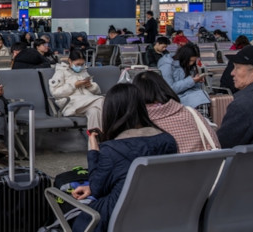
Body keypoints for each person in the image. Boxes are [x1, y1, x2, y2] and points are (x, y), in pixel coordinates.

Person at [70, 84, 177, 232]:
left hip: (117, 218)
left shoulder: (112, 149)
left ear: (112, 112)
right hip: (161, 213)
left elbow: (97, 189)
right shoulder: (168, 140)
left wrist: (94, 150)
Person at [134, 71, 220, 153]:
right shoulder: (191, 113)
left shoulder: (137, 125)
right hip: (205, 167)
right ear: (165, 87)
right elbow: (215, 144)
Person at [48, 51, 104, 130]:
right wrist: (74, 85)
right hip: (71, 103)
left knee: (94, 112)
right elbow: (55, 93)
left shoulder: (84, 72)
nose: (80, 67)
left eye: (82, 64)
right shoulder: (60, 72)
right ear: (70, 61)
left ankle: (94, 140)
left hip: (85, 102)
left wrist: (90, 86)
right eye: (77, 64)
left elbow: (96, 92)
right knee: (102, 101)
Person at [157, 43, 210, 109]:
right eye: (190, 61)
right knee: (200, 99)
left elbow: (191, 86)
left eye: (193, 61)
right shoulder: (167, 66)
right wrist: (192, 81)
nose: (191, 63)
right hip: (175, 97)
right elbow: (169, 89)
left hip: (188, 95)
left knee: (202, 98)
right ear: (184, 57)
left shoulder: (188, 65)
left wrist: (197, 81)